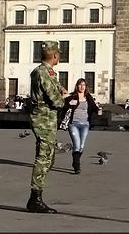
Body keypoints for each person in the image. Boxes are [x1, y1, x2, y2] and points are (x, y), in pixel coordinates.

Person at [27, 40, 67, 213]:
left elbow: (55, 89)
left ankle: (36, 196)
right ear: (55, 55)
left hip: (45, 119)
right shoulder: (44, 72)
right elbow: (55, 99)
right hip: (44, 119)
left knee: (46, 156)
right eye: (58, 54)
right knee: (43, 158)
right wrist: (64, 99)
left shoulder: (44, 71)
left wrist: (60, 91)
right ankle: (35, 198)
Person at [60, 78, 102, 175]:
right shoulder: (72, 97)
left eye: (84, 85)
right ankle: (76, 166)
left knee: (81, 146)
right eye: (80, 85)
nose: (82, 87)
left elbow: (94, 107)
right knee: (77, 144)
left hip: (85, 124)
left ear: (86, 87)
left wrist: (98, 111)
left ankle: (75, 161)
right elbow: (62, 106)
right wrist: (68, 104)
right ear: (77, 86)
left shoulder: (88, 97)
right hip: (73, 124)